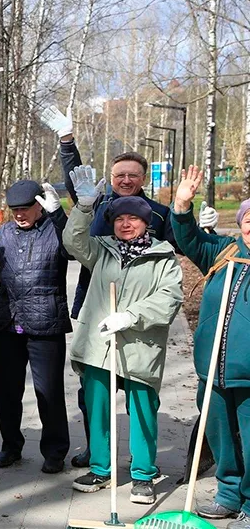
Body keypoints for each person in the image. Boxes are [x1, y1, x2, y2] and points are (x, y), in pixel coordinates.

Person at [40, 105, 207, 470]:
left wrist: (199, 226)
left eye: (133, 175)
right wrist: (67, 142)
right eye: (119, 174)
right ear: (112, 177)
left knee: (137, 392)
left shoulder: (158, 214)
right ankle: (97, 454)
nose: (126, 179)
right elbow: (76, 215)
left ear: (142, 179)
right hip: (98, 301)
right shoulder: (97, 202)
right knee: (94, 393)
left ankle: (142, 465)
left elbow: (178, 248)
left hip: (139, 310)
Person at [63, 166, 183, 505]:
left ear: (147, 223)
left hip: (140, 346)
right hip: (100, 345)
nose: (125, 224)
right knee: (97, 406)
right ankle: (101, 469)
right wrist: (84, 207)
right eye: (119, 219)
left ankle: (143, 474)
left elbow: (169, 298)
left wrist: (131, 316)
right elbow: (72, 241)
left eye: (133, 219)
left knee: (143, 408)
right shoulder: (101, 249)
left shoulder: (162, 257)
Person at [172, 166, 250, 527]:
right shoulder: (226, 251)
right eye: (248, 219)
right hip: (212, 368)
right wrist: (183, 206)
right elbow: (189, 242)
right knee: (220, 438)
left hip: (248, 374)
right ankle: (228, 494)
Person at [0, 178, 72, 473]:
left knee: (49, 392)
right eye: (14, 210)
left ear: (39, 205)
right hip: (9, 324)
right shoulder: (3, 233)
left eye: (26, 208)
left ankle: (55, 451)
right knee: (8, 391)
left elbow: (75, 244)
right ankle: (11, 446)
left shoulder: (55, 231)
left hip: (46, 324)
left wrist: (59, 214)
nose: (19, 214)